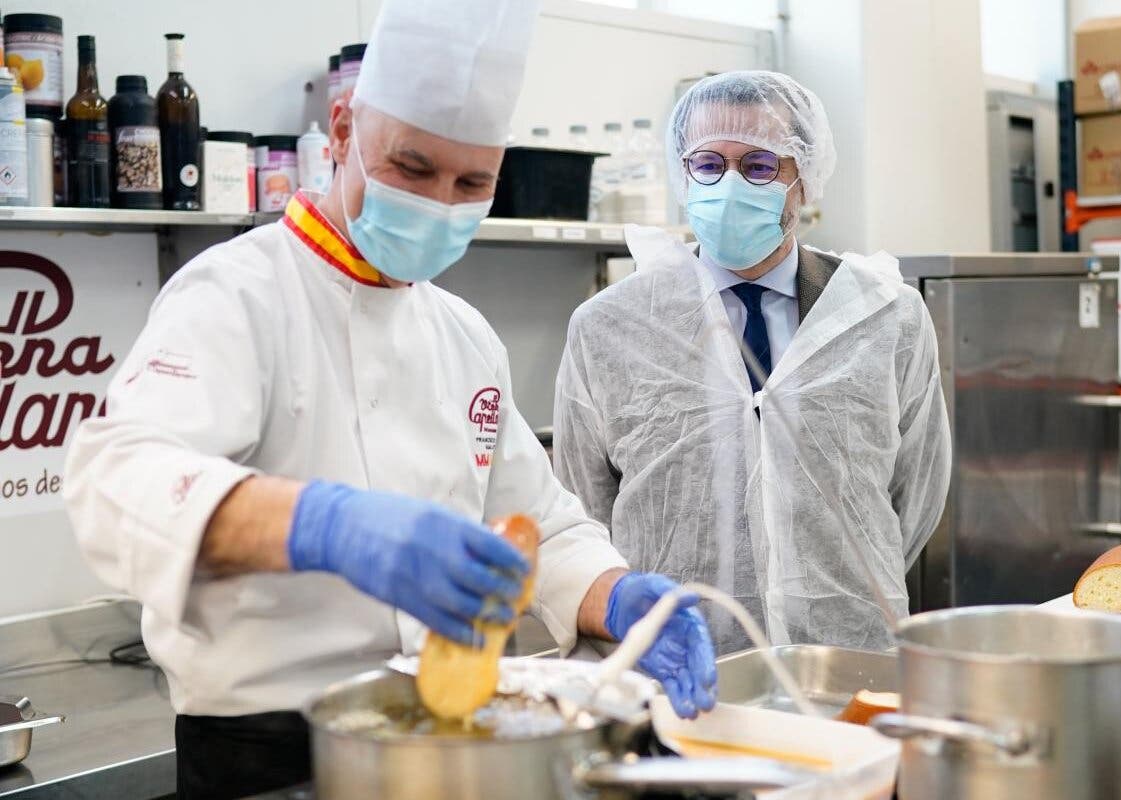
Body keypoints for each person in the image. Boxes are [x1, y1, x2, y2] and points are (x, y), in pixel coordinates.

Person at [63, 2, 714, 797]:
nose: (441, 202)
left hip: (450, 738)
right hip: (265, 751)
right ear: (341, 132)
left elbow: (537, 523)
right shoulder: (234, 293)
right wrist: (323, 525)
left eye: (471, 182)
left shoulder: (465, 334)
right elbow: (114, 480)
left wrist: (622, 602)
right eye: (411, 169)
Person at [553, 71, 952, 655]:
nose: (730, 185)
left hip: (845, 658)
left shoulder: (886, 316)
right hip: (675, 665)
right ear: (683, 176)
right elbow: (582, 507)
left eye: (760, 166)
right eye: (708, 165)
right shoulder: (610, 328)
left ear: (804, 180)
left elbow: (915, 494)